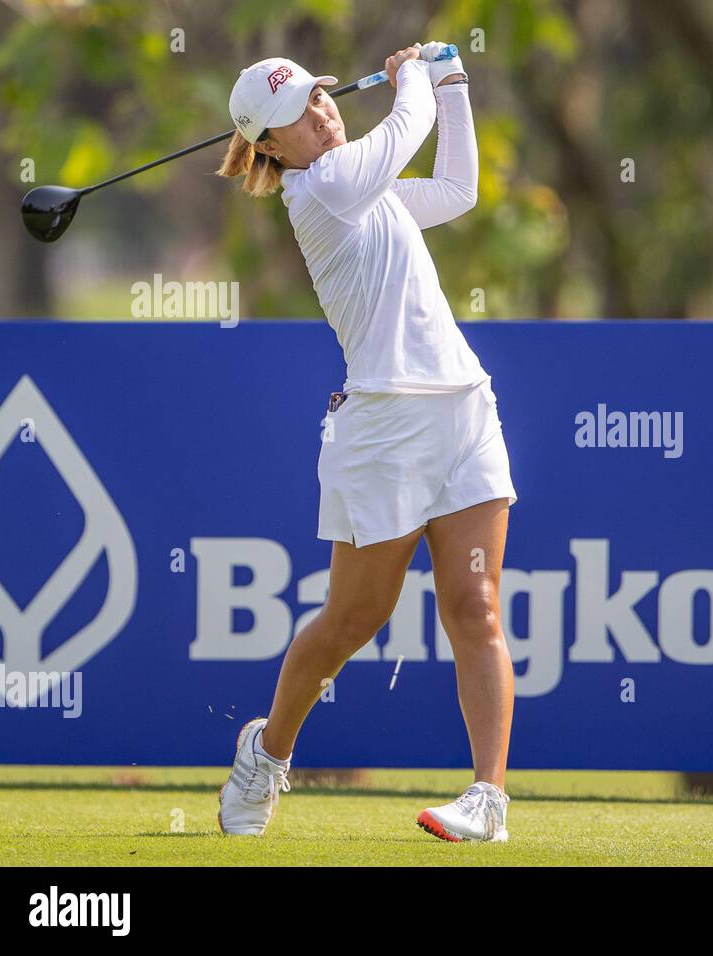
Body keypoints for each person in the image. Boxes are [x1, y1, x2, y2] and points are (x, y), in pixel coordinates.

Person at [214, 43, 516, 843]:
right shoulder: (320, 192)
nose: (321, 114)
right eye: (298, 118)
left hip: (464, 409)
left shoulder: (365, 188)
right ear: (271, 148)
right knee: (352, 622)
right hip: (384, 430)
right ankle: (268, 753)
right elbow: (402, 128)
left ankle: (488, 799)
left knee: (476, 605)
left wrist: (453, 85)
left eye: (319, 97)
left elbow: (457, 188)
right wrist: (415, 77)